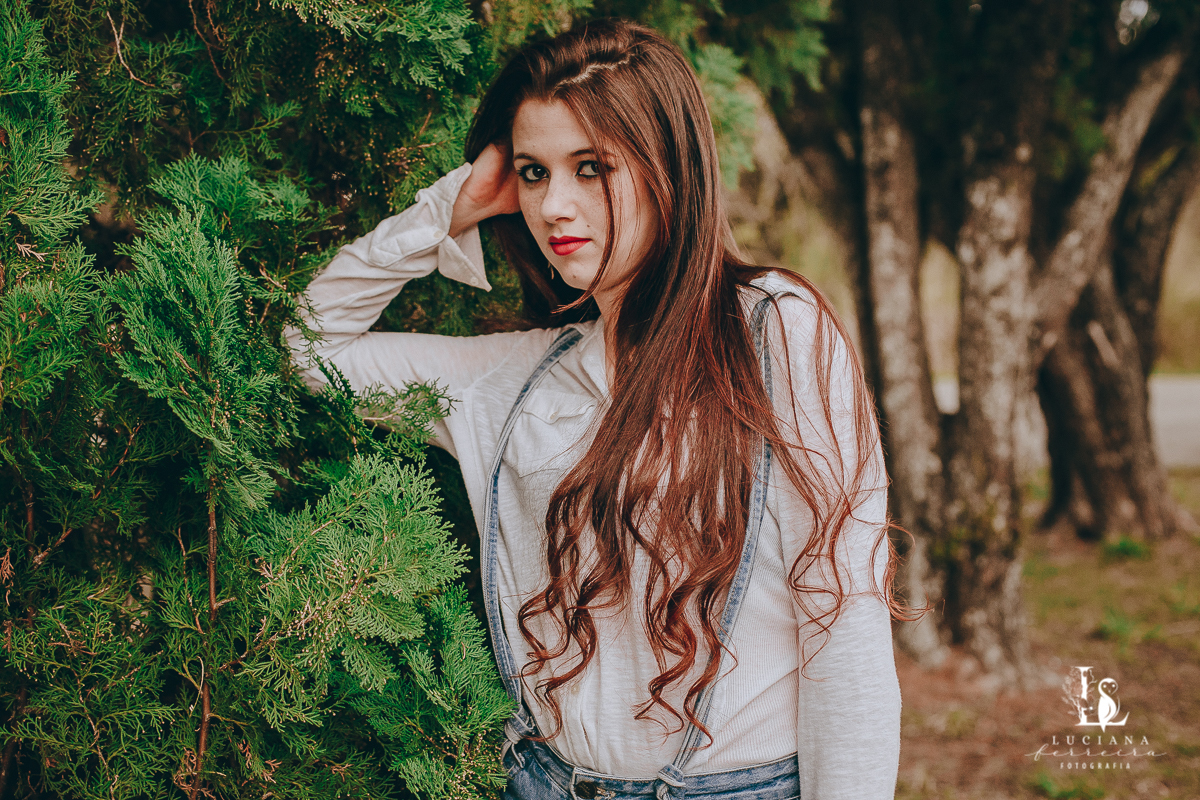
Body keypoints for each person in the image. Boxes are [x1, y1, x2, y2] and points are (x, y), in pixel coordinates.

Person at [286, 18, 901, 800]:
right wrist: (452, 208)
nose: (553, 207)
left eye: (591, 167)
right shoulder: (515, 378)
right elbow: (311, 347)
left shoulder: (773, 333)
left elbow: (842, 622)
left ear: (665, 167)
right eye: (535, 174)